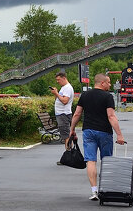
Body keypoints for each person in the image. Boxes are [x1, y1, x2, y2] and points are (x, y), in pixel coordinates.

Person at [67, 73, 126, 201]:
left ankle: (94, 191)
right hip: (104, 132)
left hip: (88, 131)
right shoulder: (108, 97)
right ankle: (105, 189)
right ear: (102, 83)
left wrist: (72, 130)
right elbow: (111, 116)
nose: (110, 85)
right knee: (106, 160)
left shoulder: (85, 95)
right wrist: (119, 135)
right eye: (109, 82)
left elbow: (77, 114)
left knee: (91, 161)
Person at [50, 71, 74, 144]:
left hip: (63, 114)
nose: (57, 82)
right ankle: (70, 152)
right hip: (61, 114)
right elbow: (59, 99)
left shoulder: (67, 88)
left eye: (59, 80)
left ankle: (69, 153)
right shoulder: (63, 88)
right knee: (66, 136)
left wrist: (56, 93)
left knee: (66, 137)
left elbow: (65, 101)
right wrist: (56, 93)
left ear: (64, 78)